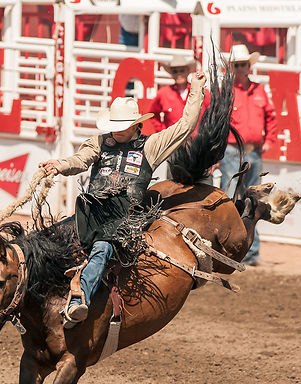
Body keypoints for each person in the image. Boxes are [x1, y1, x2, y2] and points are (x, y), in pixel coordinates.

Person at [41, 71, 207, 328]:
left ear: (135, 125)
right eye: (113, 127)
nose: (116, 132)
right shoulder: (98, 143)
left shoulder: (151, 146)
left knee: (103, 248)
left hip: (123, 219)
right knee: (49, 238)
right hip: (92, 212)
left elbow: (185, 125)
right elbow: (81, 160)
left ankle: (77, 300)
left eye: (121, 127)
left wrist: (195, 88)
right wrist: (61, 165)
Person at [217, 44, 276, 266]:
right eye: (237, 65)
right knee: (231, 197)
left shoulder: (258, 90)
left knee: (253, 200)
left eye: (244, 64)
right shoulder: (226, 92)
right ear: (231, 68)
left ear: (249, 66)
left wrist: (269, 140)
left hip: (252, 152)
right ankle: (226, 246)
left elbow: (271, 117)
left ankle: (250, 250)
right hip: (232, 151)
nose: (241, 68)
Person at [149, 51, 212, 183]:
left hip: (197, 145)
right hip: (174, 145)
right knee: (174, 185)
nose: (179, 74)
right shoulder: (163, 93)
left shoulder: (203, 92)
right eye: (175, 71)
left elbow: (212, 117)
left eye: (181, 70)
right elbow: (152, 115)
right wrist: (163, 132)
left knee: (202, 185)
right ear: (171, 73)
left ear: (187, 71)